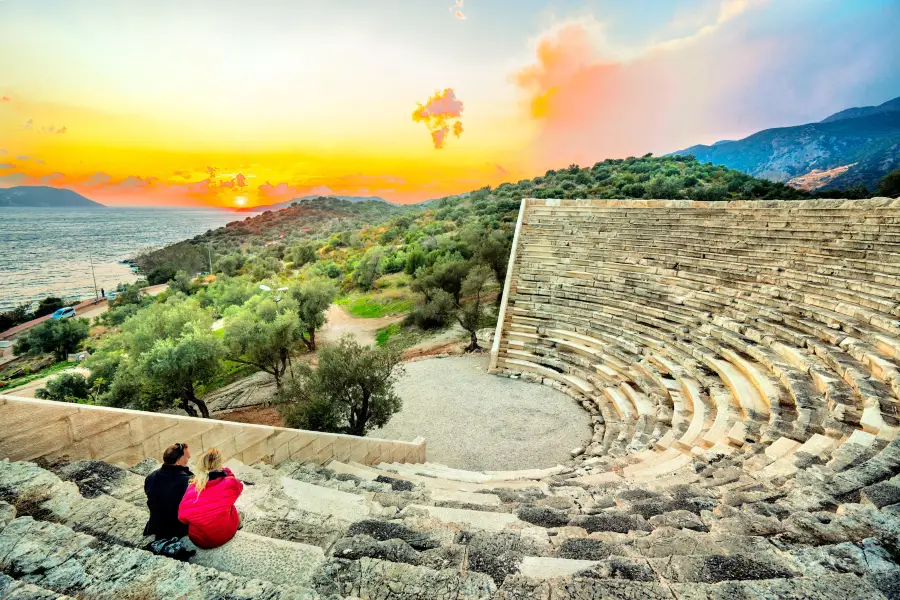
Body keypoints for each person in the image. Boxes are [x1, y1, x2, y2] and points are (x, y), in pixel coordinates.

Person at [178, 448, 244, 549]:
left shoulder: (192, 489)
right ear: (219, 464)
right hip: (225, 534)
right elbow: (239, 488)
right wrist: (227, 472)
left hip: (200, 540)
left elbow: (182, 518)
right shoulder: (229, 483)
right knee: (231, 506)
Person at [143, 442, 192, 540]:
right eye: (187, 457)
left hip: (156, 524)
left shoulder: (150, 477)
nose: (189, 457)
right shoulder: (187, 481)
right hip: (177, 528)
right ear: (178, 462)